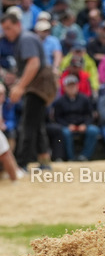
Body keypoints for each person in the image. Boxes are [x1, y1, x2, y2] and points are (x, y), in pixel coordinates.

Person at [2, 11, 52, 170]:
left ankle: (22, 164)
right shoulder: (24, 39)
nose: (6, 32)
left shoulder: (25, 38)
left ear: (18, 25)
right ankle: (44, 162)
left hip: (38, 86)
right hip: (37, 84)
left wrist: (20, 86)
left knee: (27, 124)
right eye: (4, 29)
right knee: (36, 124)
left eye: (9, 28)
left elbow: (34, 64)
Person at [49, 74, 99, 161]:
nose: (72, 88)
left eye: (73, 85)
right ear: (64, 88)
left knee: (93, 130)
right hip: (67, 126)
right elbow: (57, 118)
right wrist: (67, 125)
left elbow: (90, 115)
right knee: (65, 132)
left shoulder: (84, 99)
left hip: (82, 125)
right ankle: (70, 157)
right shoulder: (60, 102)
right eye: (69, 86)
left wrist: (85, 125)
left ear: (77, 86)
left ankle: (84, 156)